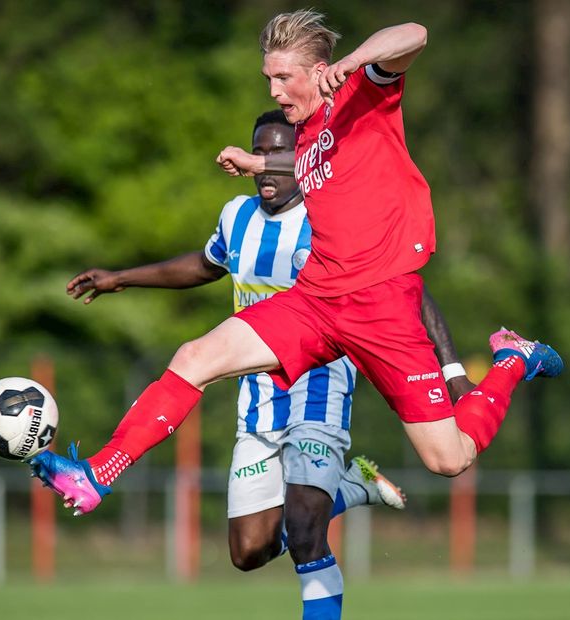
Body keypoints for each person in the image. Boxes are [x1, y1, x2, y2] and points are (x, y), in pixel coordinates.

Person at [30, 10, 561, 618]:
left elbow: (414, 34)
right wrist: (259, 166)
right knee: (194, 357)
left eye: (283, 78)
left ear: (316, 71)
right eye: (268, 79)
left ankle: (513, 361)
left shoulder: (365, 95)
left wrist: (354, 62)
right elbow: (313, 172)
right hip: (316, 297)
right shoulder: (304, 137)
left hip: (382, 305)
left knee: (450, 459)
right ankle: (97, 475)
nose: (274, 91)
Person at [60, 110, 470, 586]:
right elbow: (205, 265)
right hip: (258, 400)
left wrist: (452, 369)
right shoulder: (236, 215)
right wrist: (120, 278)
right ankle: (353, 489)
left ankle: (323, 520)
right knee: (248, 551)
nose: (266, 164)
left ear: (302, 159)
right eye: (259, 152)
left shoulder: (329, 219)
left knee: (304, 533)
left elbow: (407, 291)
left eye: (278, 153)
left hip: (319, 388)